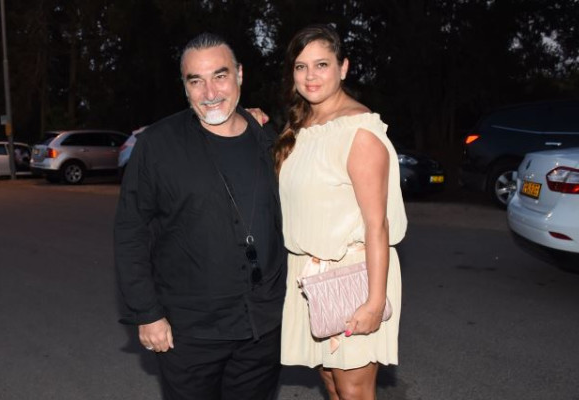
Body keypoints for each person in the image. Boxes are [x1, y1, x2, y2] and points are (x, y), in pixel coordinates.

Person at [114, 33, 286, 400]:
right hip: (189, 332)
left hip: (263, 326)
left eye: (220, 76)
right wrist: (147, 312)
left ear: (239, 75)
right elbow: (131, 231)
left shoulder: (268, 140)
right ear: (184, 86)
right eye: (196, 81)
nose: (210, 92)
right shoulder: (157, 145)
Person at [274, 24, 407, 400]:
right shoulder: (302, 127)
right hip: (309, 277)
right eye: (301, 67)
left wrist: (374, 302)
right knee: (332, 383)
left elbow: (377, 224)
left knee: (353, 391)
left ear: (343, 67)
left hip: (353, 276)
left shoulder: (358, 131)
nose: (310, 76)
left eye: (322, 64)